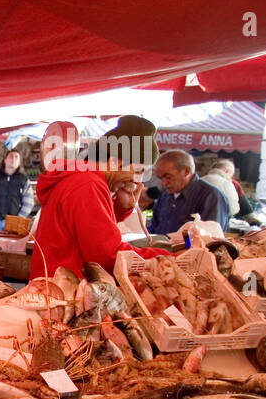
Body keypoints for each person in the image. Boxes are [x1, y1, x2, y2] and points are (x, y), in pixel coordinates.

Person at [31, 115, 168, 279]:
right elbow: (106, 256)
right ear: (116, 162)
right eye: (138, 171)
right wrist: (165, 257)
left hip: (57, 285)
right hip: (65, 293)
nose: (137, 180)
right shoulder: (88, 183)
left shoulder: (84, 178)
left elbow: (89, 232)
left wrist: (122, 208)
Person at [151, 149, 229, 234]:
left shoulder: (211, 196)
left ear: (187, 171)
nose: (163, 183)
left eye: (168, 177)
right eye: (160, 178)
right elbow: (154, 228)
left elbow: (211, 239)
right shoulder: (165, 196)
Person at [0, 148, 34, 232]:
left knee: (12, 245)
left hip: (15, 222)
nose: (13, 159)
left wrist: (20, 217)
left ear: (19, 162)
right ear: (5, 160)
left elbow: (29, 202)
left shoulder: (24, 180)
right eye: (11, 156)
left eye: (16, 157)